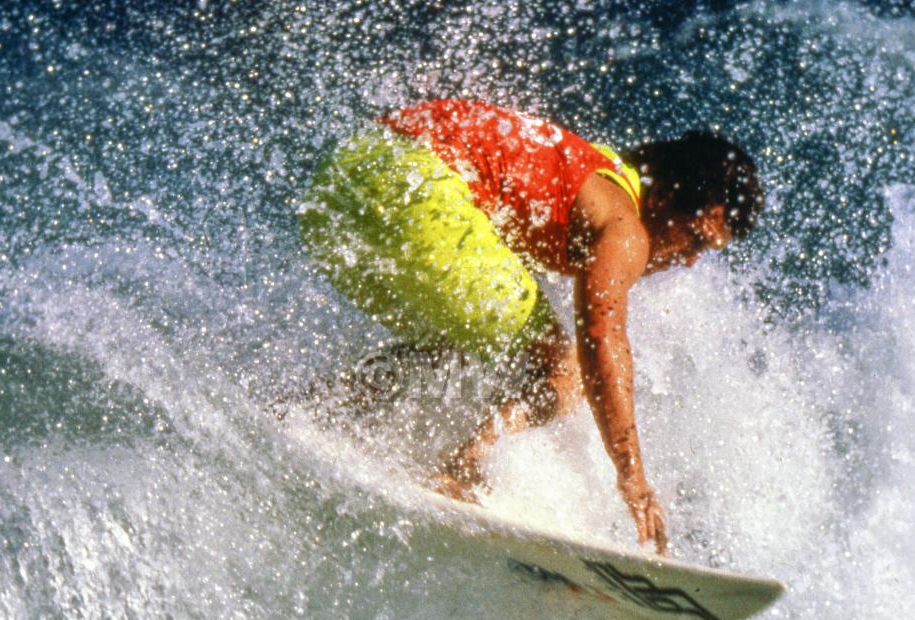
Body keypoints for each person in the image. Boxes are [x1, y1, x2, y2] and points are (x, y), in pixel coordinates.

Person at [299, 99, 763, 555]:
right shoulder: (626, 226)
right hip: (413, 190)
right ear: (665, 197)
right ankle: (460, 469)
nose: (691, 258)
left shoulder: (599, 170)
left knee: (466, 346)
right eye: (697, 236)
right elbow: (602, 339)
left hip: (340, 187)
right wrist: (634, 479)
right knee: (567, 365)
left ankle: (315, 411)